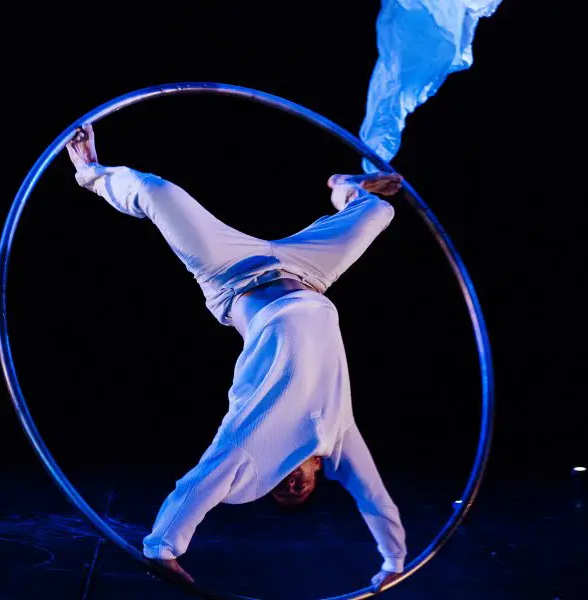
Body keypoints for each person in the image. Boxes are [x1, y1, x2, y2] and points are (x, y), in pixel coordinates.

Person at [65, 124, 406, 590]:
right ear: (318, 472)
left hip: (230, 275)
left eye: (280, 493)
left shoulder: (251, 444)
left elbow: (200, 485)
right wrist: (393, 562)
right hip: (308, 272)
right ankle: (349, 189)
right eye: (299, 491)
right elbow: (374, 499)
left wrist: (162, 550)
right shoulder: (338, 436)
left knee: (155, 191)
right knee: (379, 213)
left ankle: (90, 172)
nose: (291, 488)